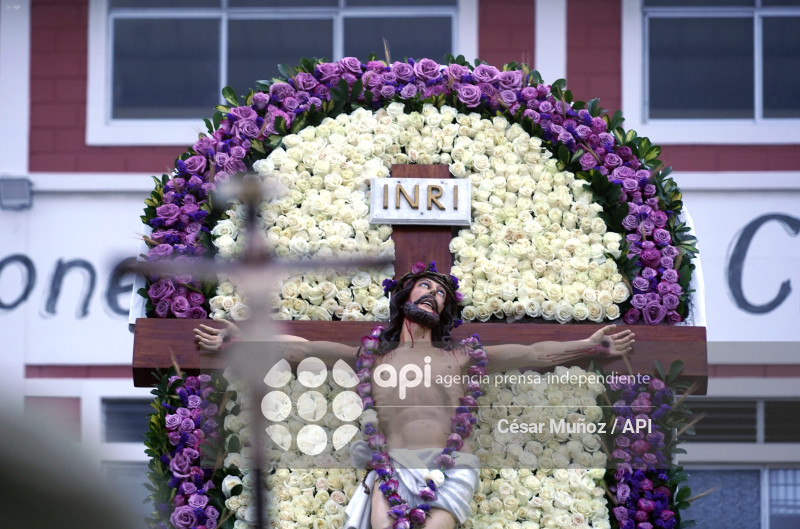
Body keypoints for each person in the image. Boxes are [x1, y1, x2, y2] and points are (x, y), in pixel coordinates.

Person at [194, 262, 634, 529]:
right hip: (391, 465)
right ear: (405, 296)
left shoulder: (461, 357)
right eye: (425, 287)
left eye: (441, 294)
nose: (432, 295)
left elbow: (534, 353)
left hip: (451, 467)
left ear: (444, 312)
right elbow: (301, 349)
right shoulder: (371, 359)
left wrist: (590, 346)